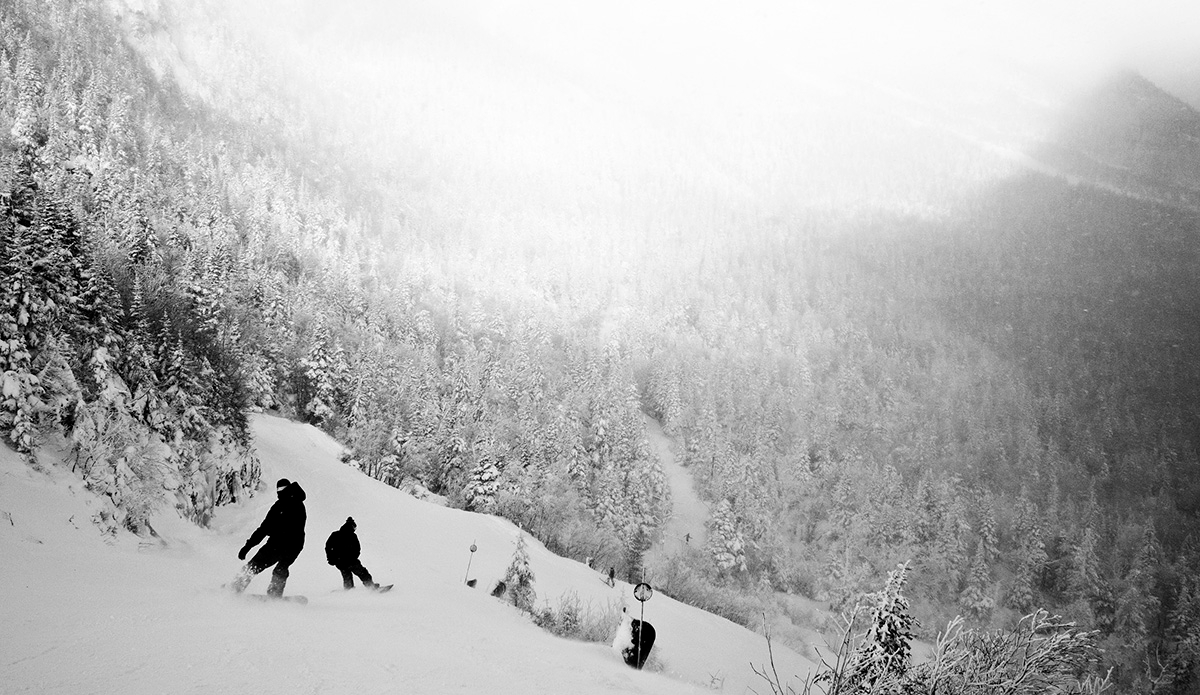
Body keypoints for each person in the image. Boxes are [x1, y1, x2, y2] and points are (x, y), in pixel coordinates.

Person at [230, 478, 307, 597]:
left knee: (279, 568)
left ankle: (274, 594)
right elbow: (264, 528)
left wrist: (280, 535)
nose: (279, 492)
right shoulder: (279, 505)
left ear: (289, 488)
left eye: (282, 489)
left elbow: (292, 528)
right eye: (278, 489)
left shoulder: (296, 505)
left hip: (291, 545)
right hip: (278, 544)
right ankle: (236, 587)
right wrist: (248, 546)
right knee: (255, 565)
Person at [324, 516, 378, 590]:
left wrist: (331, 559)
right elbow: (357, 548)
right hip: (351, 561)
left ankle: (349, 592)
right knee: (362, 573)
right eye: (354, 528)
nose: (355, 530)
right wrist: (354, 557)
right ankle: (371, 587)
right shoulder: (352, 536)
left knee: (347, 577)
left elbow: (328, 548)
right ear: (352, 526)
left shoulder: (335, 534)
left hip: (339, 562)